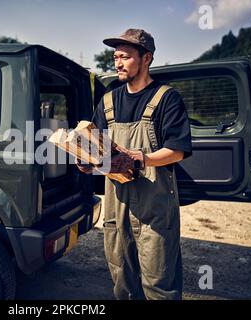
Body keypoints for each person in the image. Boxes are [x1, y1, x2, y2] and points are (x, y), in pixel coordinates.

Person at [77, 29, 192, 300]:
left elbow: (177, 150)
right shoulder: (107, 102)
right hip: (118, 204)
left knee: (158, 282)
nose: (117, 63)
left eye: (125, 57)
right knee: (122, 281)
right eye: (115, 57)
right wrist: (88, 163)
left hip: (154, 204)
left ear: (146, 58)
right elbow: (99, 150)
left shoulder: (166, 98)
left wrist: (142, 158)